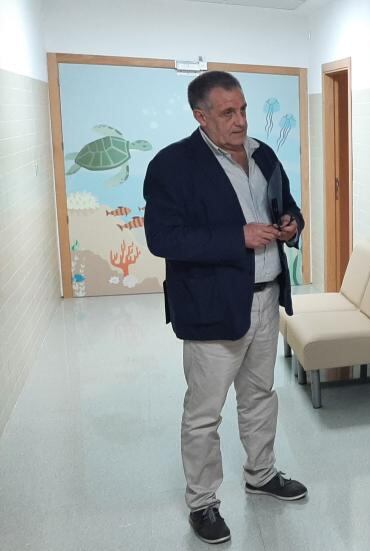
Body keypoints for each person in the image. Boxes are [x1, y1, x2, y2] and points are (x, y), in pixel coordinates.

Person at [143, 70, 307, 545]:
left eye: (243, 109)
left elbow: (286, 204)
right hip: (212, 307)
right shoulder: (172, 165)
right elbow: (163, 238)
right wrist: (238, 237)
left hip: (266, 299)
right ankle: (203, 502)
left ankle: (261, 473)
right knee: (204, 412)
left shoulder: (263, 154)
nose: (240, 121)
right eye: (227, 112)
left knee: (260, 396)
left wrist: (291, 223)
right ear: (201, 116)